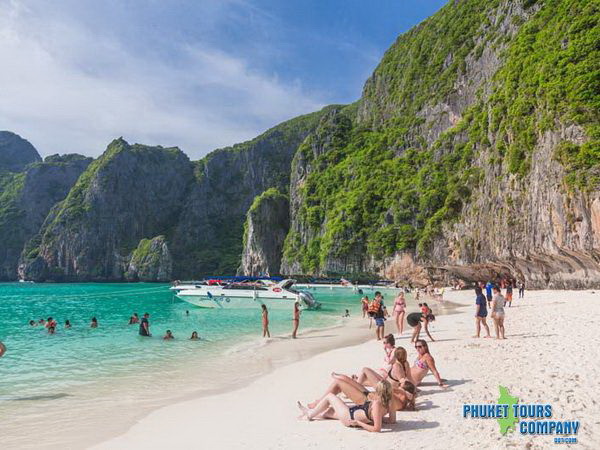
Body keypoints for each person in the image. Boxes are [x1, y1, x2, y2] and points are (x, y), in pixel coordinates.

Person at [298, 379, 395, 432]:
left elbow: (376, 429)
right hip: (352, 414)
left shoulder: (378, 403)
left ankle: (309, 416)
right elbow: (392, 420)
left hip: (350, 417)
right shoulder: (390, 401)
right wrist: (377, 418)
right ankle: (308, 412)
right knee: (329, 412)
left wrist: (359, 423)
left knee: (330, 396)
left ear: (379, 390)